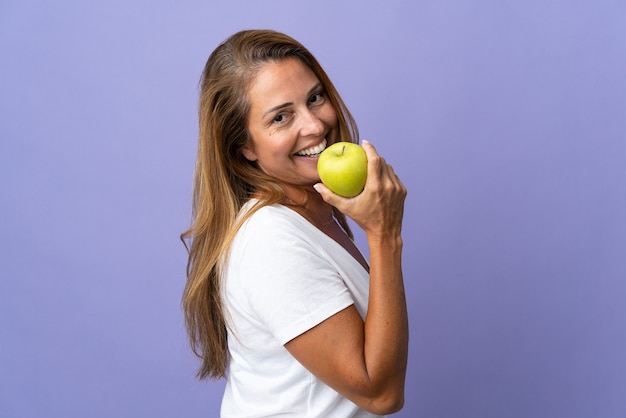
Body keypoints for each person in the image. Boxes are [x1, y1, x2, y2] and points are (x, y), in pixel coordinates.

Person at [181, 29, 408, 417]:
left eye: (315, 98)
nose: (316, 126)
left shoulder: (314, 209)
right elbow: (380, 394)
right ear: (245, 147)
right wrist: (384, 235)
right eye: (281, 117)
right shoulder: (271, 241)